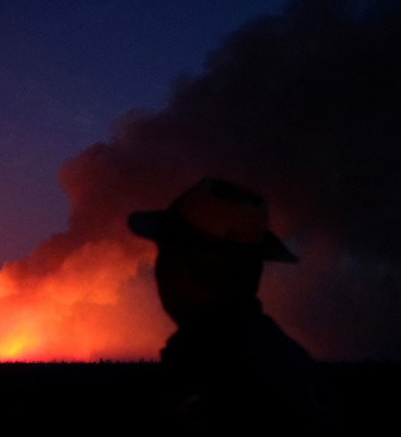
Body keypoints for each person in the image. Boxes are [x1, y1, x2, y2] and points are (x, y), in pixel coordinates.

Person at [128, 177, 340, 435]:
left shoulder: (205, 370)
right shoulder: (294, 362)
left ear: (179, 267)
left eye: (164, 255)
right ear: (254, 271)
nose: (158, 271)